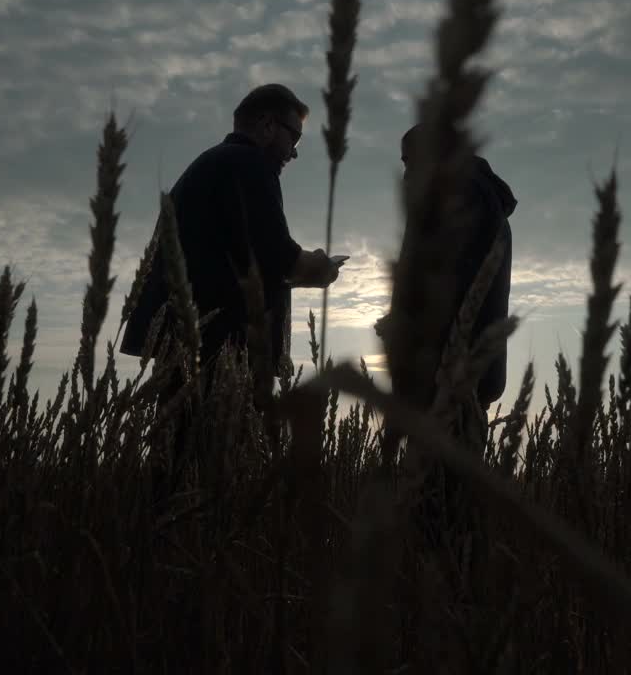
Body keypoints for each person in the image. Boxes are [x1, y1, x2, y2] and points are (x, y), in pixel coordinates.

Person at [121, 85, 342, 491]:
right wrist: (322, 266)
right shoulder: (248, 165)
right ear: (266, 124)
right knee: (209, 476)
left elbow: (247, 258)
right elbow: (277, 257)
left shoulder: (211, 165)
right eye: (294, 137)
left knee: (175, 468)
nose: (294, 152)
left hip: (190, 347)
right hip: (219, 353)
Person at [375, 124, 518, 415]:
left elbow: (452, 289)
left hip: (448, 382)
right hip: (456, 378)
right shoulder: (472, 197)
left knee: (442, 459)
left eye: (409, 161)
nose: (406, 174)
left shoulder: (462, 197)